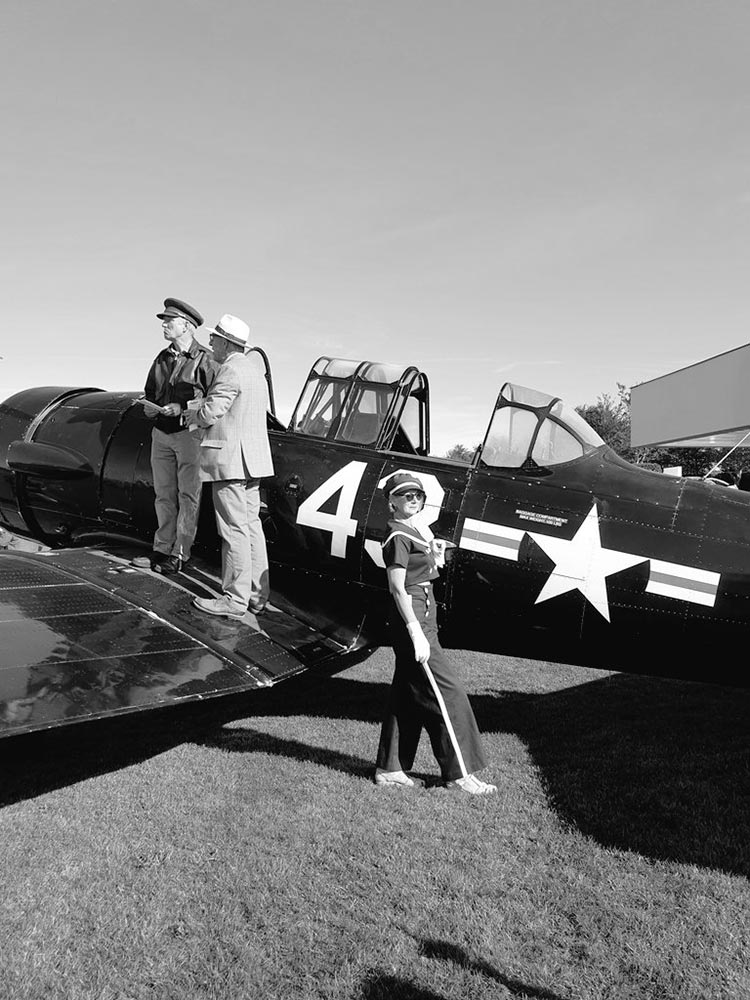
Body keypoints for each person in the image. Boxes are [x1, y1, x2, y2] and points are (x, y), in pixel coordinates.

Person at [374, 473, 496, 795]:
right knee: (448, 693)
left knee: (406, 694)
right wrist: (415, 631)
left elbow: (423, 573)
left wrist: (436, 555)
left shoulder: (415, 529)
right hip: (412, 618)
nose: (413, 500)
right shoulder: (397, 535)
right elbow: (397, 588)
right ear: (392, 501)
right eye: (405, 496)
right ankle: (458, 776)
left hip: (424, 614)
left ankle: (390, 768)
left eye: (417, 495)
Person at [186, 314, 274, 620]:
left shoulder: (229, 370)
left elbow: (213, 411)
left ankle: (234, 600)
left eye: (214, 338)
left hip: (230, 463)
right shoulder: (254, 372)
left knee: (232, 530)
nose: (210, 343)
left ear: (226, 342)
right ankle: (257, 596)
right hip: (253, 463)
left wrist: (192, 415)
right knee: (251, 528)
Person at [140, 297, 217, 575]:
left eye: (169, 321)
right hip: (160, 433)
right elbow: (150, 392)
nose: (164, 325)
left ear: (186, 326)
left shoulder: (207, 360)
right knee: (163, 494)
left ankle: (180, 553)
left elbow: (215, 400)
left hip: (190, 436)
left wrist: (182, 408)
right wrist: (149, 407)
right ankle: (161, 547)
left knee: (188, 496)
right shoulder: (161, 358)